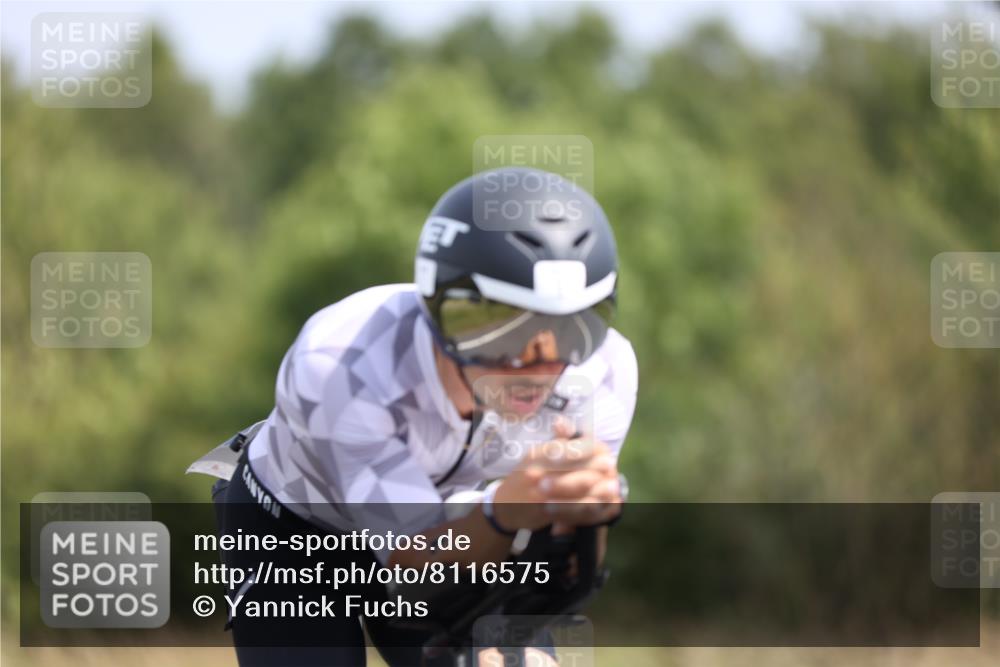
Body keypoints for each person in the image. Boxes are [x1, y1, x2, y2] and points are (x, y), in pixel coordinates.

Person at [212, 167, 638, 666]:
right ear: (442, 313)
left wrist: (585, 519)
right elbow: (412, 563)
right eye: (503, 334)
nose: (538, 369)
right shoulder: (340, 365)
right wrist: (503, 511)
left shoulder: (603, 372)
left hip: (458, 524)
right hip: (298, 527)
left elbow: (564, 570)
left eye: (572, 332)